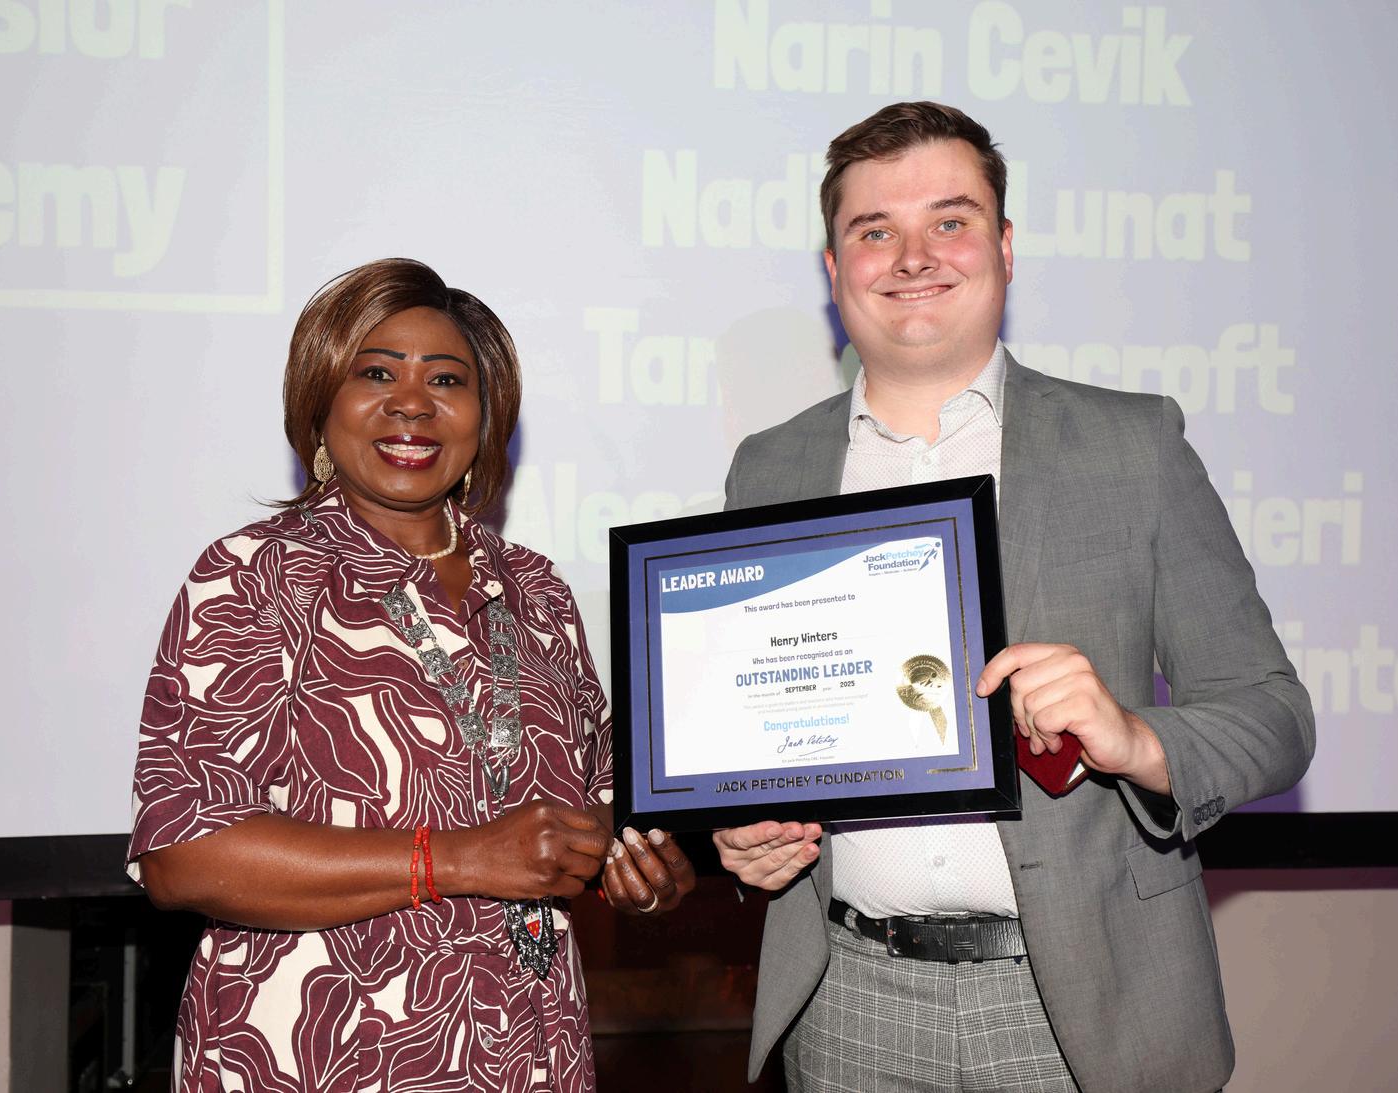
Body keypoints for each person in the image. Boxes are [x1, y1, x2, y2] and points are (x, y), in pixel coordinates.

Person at [713, 103, 1314, 1093]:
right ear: (833, 267)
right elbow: (761, 735)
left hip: (1083, 1005)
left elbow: (1273, 712)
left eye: (948, 221)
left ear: (1002, 246)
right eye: (874, 231)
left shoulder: (1134, 446)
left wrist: (1135, 738)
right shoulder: (768, 468)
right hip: (847, 1004)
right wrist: (747, 830)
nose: (912, 256)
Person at [127, 258, 694, 1093]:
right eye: (376, 372)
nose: (412, 403)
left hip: (529, 1055)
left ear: (484, 417)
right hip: (316, 1057)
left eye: (447, 379)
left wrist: (641, 870)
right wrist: (456, 858)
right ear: (319, 401)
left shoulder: (535, 588)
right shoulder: (256, 576)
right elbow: (183, 854)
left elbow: (601, 810)